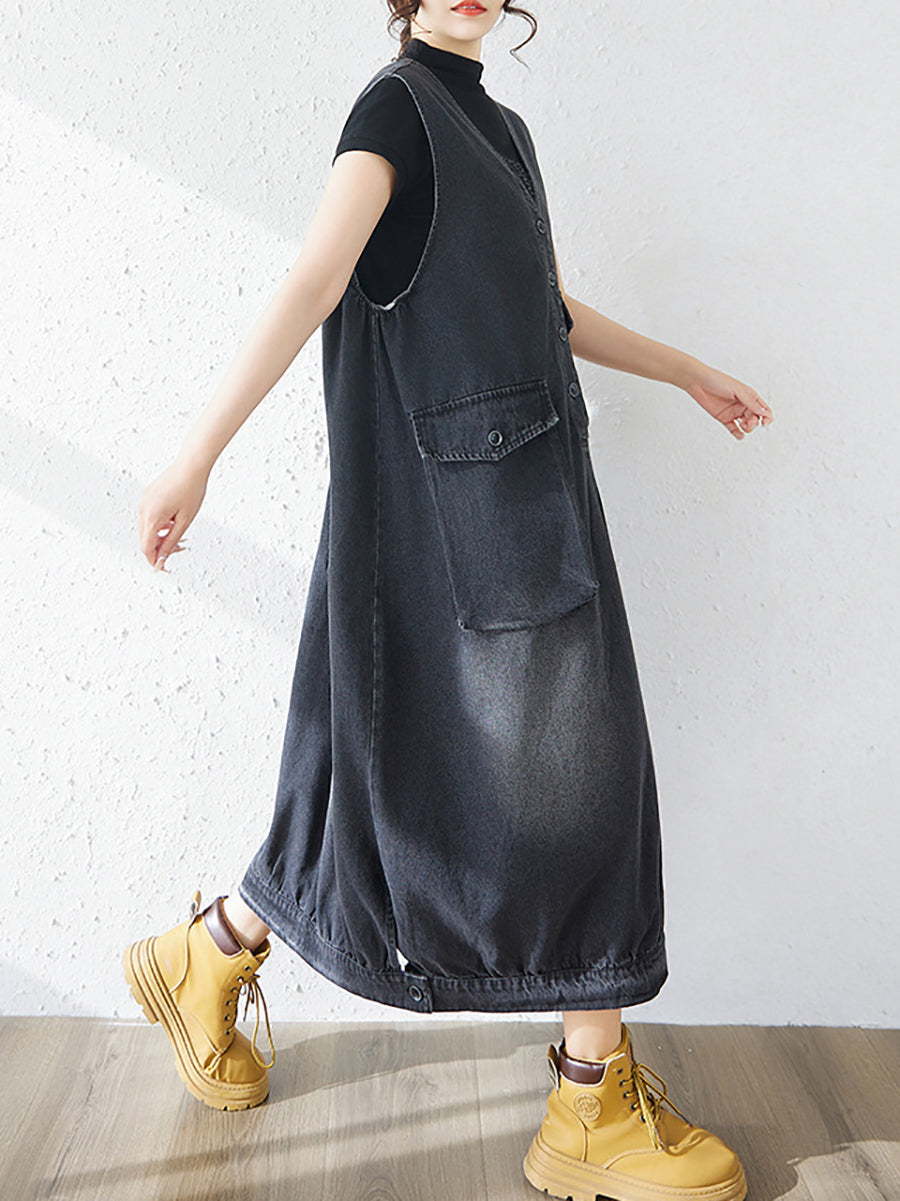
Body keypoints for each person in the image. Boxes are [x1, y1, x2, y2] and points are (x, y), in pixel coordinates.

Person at [124, 4, 770, 1199]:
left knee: (380, 769)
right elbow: (316, 278)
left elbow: (549, 313)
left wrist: (687, 370)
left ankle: (205, 953)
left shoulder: (506, 132)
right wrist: (195, 455)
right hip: (452, 523)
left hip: (533, 500)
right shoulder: (395, 113)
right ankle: (590, 1104)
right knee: (585, 782)